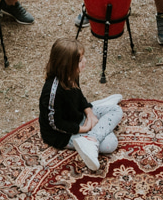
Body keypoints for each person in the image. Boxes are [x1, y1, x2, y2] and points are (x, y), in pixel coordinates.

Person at [38, 38, 123, 172]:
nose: (85, 61)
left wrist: (89, 113)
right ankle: (94, 135)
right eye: (80, 60)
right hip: (63, 134)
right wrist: (83, 129)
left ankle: (92, 138)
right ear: (67, 65)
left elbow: (79, 96)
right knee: (110, 144)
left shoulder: (72, 74)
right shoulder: (52, 92)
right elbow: (56, 124)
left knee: (116, 109)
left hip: (79, 116)